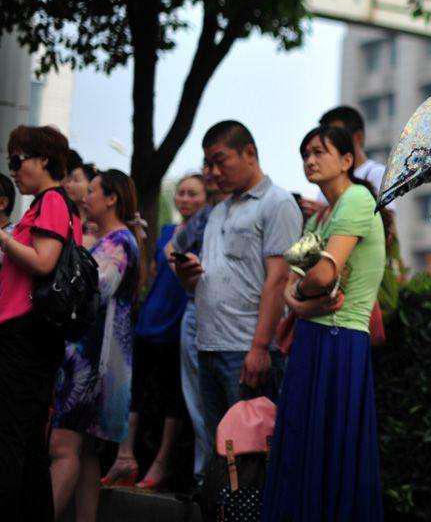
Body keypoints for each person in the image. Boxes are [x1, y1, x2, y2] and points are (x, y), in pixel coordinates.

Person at [262, 125, 385, 521]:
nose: (310, 160)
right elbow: (292, 283)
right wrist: (301, 305)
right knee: (301, 447)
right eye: (305, 154)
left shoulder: (357, 200)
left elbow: (321, 276)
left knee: (330, 451)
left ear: (347, 160)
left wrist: (298, 299)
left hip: (341, 339)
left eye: (319, 152)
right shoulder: (321, 217)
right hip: (315, 337)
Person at [172, 121, 301, 454]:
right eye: (208, 164)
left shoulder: (277, 203)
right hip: (209, 344)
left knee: (249, 457)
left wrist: (260, 348)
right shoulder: (217, 211)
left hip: (246, 349)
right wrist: (188, 275)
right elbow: (213, 274)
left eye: (220, 160)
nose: (213, 172)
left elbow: (278, 278)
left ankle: (251, 510)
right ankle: (221, 509)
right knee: (219, 451)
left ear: (250, 153)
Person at [102, 172, 208, 490]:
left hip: (181, 321)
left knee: (172, 397)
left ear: (205, 201)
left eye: (194, 194)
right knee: (135, 390)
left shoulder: (205, 233)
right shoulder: (165, 230)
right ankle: (124, 456)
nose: (186, 199)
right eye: (182, 193)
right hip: (151, 317)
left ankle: (162, 463)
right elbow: (151, 272)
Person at [0, 125, 82, 521]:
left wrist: (2, 237)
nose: (13, 170)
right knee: (28, 442)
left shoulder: (52, 201)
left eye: (17, 160)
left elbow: (44, 261)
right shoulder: (45, 203)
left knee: (13, 440)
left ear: (42, 159)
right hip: (28, 334)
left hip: (26, 334)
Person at [49, 169, 140, 522]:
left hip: (92, 360)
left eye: (92, 191)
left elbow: (95, 287)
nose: (84, 196)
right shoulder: (110, 239)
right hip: (91, 356)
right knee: (85, 452)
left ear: (111, 198)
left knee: (63, 445)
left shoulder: (119, 242)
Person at [169, 162, 223, 489]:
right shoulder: (204, 216)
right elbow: (175, 249)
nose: (214, 171)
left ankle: (223, 482)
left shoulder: (256, 208)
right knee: (198, 401)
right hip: (196, 309)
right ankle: (205, 480)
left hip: (233, 317)